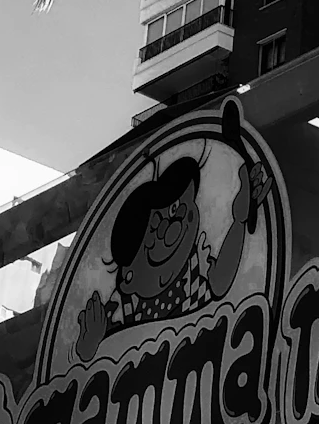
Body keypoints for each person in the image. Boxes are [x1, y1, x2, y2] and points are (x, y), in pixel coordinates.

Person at [74, 134, 269, 362]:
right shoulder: (122, 305)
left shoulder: (195, 268)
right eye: (157, 224)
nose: (176, 224)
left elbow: (220, 283)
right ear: (129, 275)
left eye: (182, 208)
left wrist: (239, 221)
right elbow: (87, 363)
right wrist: (88, 346)